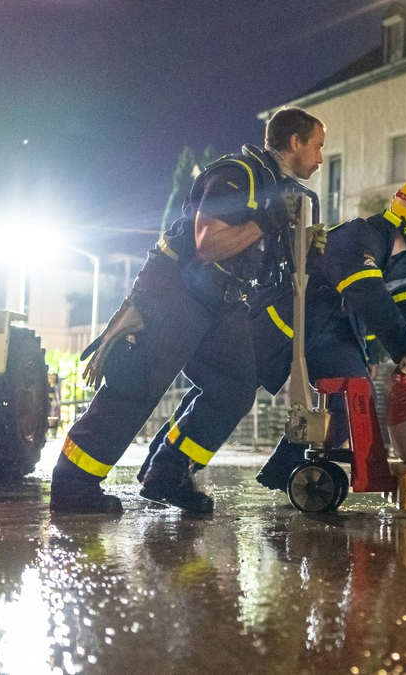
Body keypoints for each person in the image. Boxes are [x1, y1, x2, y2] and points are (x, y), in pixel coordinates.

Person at [49, 107, 326, 515]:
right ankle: (72, 485)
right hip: (178, 289)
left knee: (234, 387)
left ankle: (167, 473)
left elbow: (268, 266)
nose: (320, 158)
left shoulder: (277, 191)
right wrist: (268, 220)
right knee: (137, 384)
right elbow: (207, 244)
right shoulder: (238, 174)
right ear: (295, 142)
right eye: (317, 147)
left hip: (224, 300)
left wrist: (307, 254)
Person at [253, 179, 406, 490]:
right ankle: (168, 466)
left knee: (354, 395)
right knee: (232, 394)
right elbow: (373, 301)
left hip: (328, 331)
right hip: (283, 325)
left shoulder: (402, 260)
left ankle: (285, 471)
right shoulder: (359, 236)